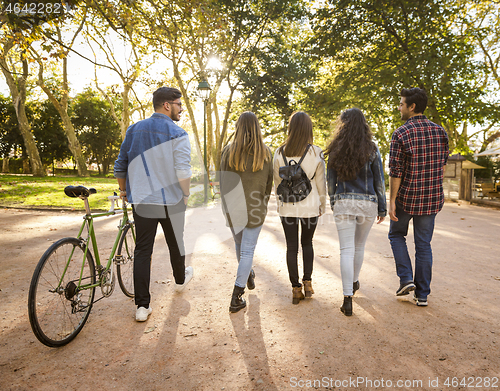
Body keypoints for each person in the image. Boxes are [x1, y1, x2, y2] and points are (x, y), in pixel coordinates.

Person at [114, 86, 194, 322]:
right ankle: (180, 280)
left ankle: (142, 306)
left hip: (142, 199)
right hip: (170, 200)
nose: (182, 109)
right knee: (175, 242)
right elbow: (183, 171)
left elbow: (121, 164)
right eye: (179, 104)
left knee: (143, 250)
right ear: (167, 105)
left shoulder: (134, 129)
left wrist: (123, 190)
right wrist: (186, 195)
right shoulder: (178, 134)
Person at [388, 87, 449, 307]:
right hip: (431, 198)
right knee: (423, 245)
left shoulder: (401, 133)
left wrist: (392, 200)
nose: (399, 107)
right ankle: (422, 295)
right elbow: (441, 165)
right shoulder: (440, 132)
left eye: (401, 103)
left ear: (412, 106)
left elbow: (396, 172)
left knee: (396, 235)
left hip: (407, 197)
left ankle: (406, 279)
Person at [324, 108, 386, 316]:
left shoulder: (335, 149)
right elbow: (379, 180)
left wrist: (334, 202)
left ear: (343, 124)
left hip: (343, 202)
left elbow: (330, 181)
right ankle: (354, 282)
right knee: (359, 247)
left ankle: (347, 298)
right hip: (367, 204)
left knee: (346, 250)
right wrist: (382, 207)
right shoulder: (372, 149)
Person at [220, 111, 273, 313]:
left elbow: (223, 182)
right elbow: (269, 185)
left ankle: (246, 275)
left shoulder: (228, 151)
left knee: (240, 245)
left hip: (233, 208)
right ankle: (237, 295)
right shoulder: (266, 153)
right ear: (257, 128)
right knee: (247, 250)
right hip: (255, 207)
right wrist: (263, 202)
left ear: (238, 127)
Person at [273, 111, 326, 304]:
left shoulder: (279, 153)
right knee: (307, 244)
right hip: (310, 206)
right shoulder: (316, 152)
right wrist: (322, 204)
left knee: (291, 247)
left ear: (291, 128)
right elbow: (321, 182)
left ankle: (295, 288)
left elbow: (277, 182)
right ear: (308, 129)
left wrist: (280, 204)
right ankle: (308, 282)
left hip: (288, 207)